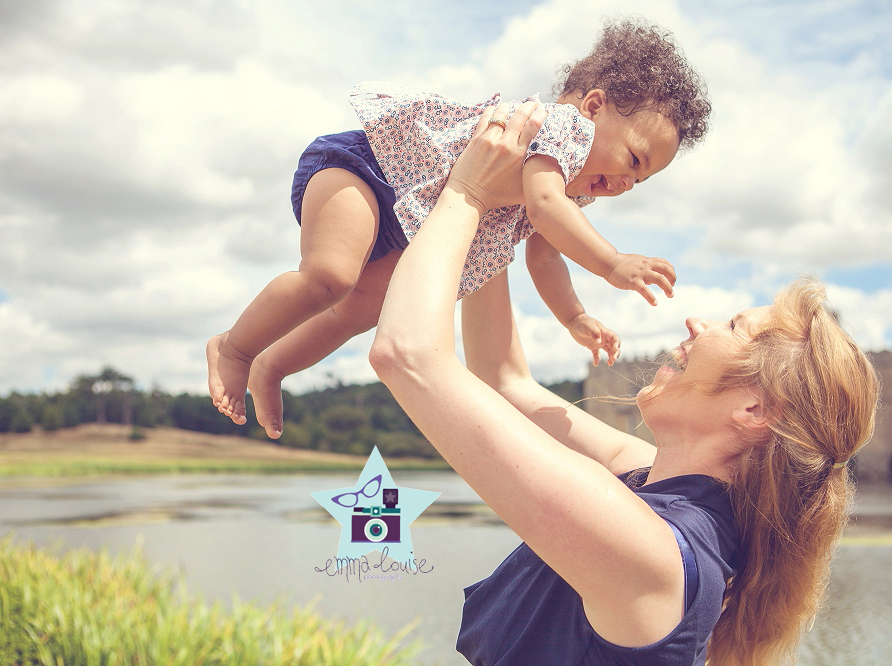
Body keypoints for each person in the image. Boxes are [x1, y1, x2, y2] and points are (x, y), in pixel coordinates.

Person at [369, 103, 880, 665]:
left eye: (735, 327)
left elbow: (409, 355)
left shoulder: (655, 551)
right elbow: (505, 382)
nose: (699, 322)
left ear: (756, 409)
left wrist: (464, 191)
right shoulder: (654, 481)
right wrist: (499, 213)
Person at [207, 19, 711, 438]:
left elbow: (545, 254)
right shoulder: (562, 128)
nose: (626, 181)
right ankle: (234, 347)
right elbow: (542, 207)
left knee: (358, 311)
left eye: (640, 179)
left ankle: (271, 365)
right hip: (367, 172)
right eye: (633, 158)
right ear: (595, 107)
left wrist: (574, 316)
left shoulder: (570, 191)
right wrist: (613, 262)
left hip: (404, 228)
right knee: (330, 276)